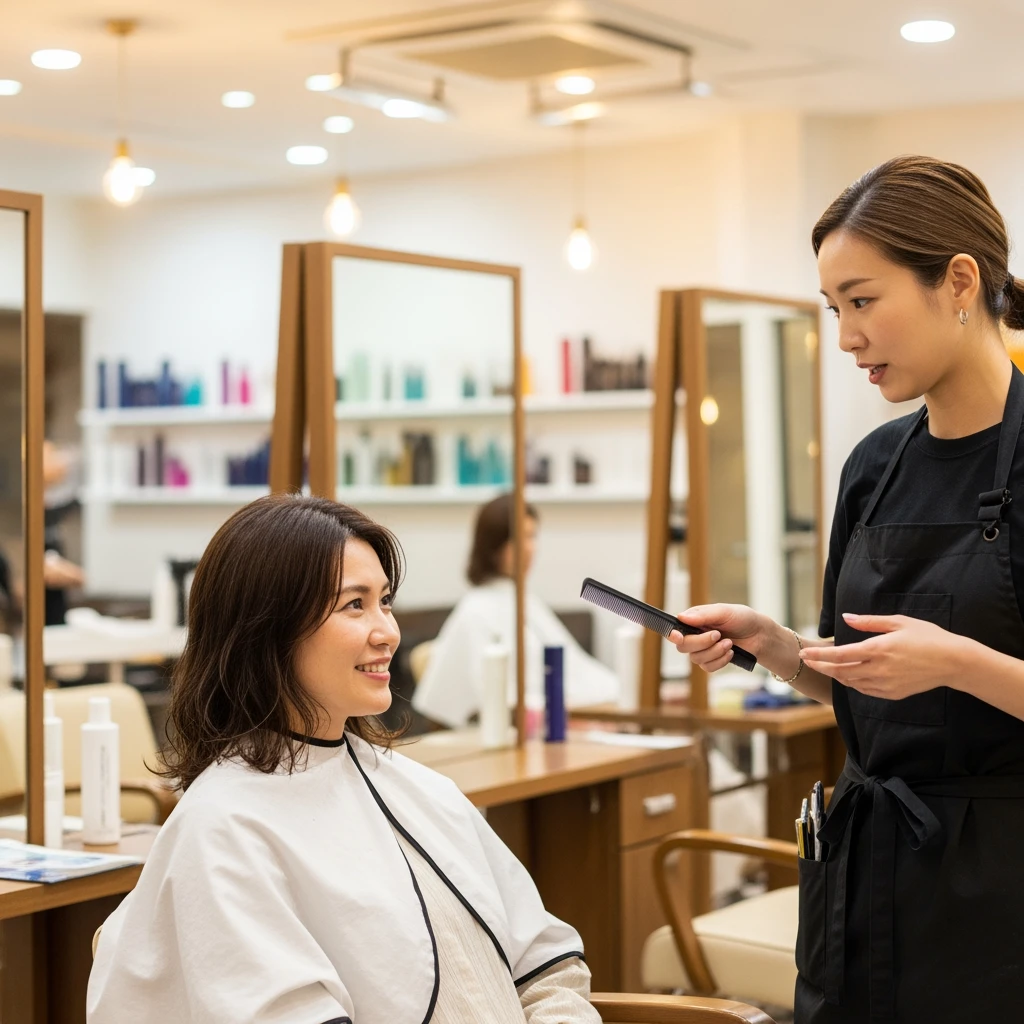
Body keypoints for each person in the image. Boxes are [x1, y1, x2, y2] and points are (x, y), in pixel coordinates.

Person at [670, 155, 1024, 1023]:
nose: (845, 338)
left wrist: (960, 663)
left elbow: (939, 673)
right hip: (861, 882)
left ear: (959, 282)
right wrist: (777, 647)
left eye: (862, 301)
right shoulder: (874, 466)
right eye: (835, 309)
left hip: (1001, 900)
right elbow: (864, 681)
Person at [87, 494, 601, 1024]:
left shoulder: (422, 790)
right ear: (268, 629)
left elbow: (547, 971)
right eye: (355, 605)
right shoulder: (225, 827)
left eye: (386, 601)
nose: (388, 633)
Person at [412, 493, 619, 728]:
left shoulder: (526, 601)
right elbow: (493, 698)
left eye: (532, 536)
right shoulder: (475, 611)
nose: (529, 548)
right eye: (519, 539)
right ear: (493, 545)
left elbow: (578, 671)